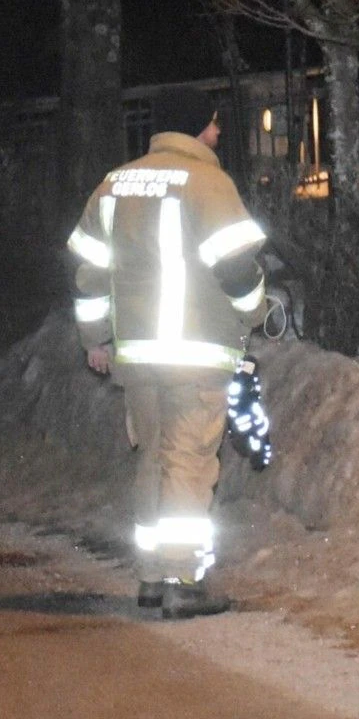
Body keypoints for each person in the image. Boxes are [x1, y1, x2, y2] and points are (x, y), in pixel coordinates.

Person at [67, 87, 269, 618]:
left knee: (153, 457)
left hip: (137, 355)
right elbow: (235, 269)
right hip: (196, 351)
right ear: (199, 127)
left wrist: (96, 341)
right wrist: (258, 312)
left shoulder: (114, 184)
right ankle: (186, 581)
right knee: (189, 460)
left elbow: (88, 275)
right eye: (216, 123)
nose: (219, 132)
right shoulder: (208, 183)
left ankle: (151, 577)